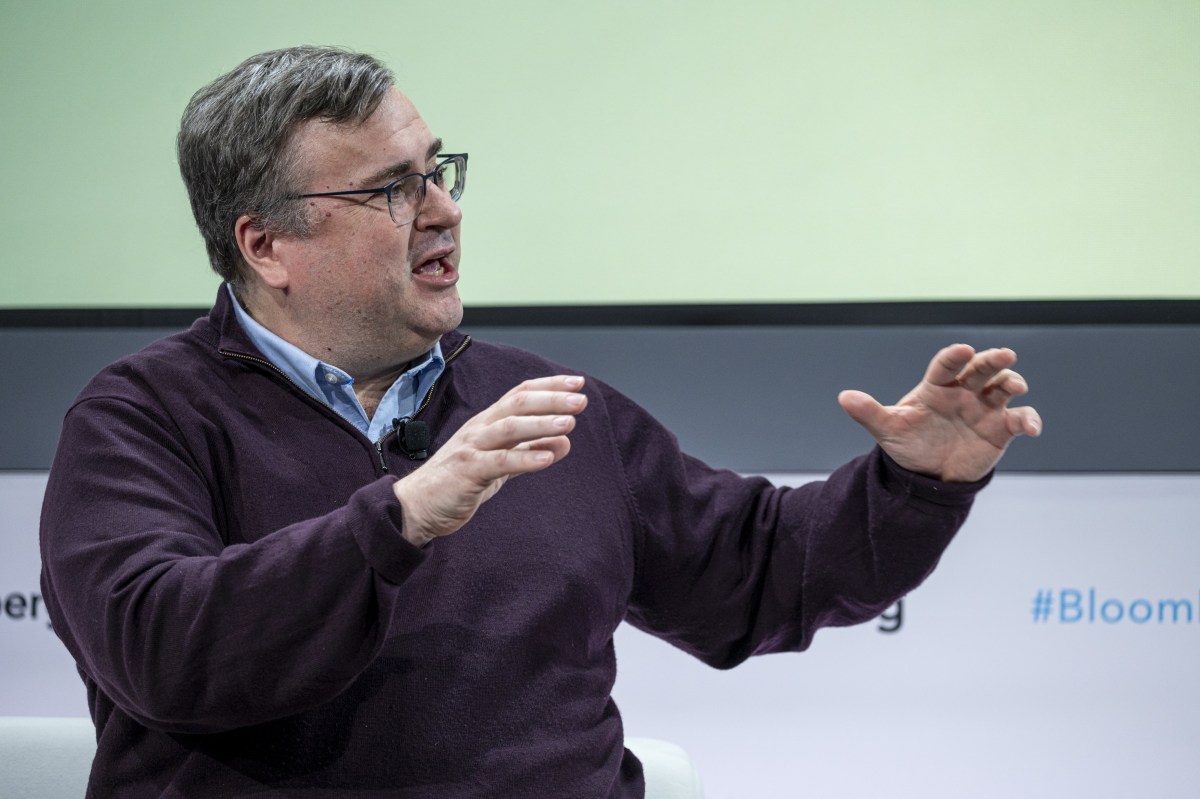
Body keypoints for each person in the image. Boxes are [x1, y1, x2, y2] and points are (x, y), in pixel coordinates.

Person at [39, 46, 1041, 798]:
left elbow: (759, 570)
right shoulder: (142, 419)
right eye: (392, 190)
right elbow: (161, 646)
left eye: (437, 170)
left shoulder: (545, 407)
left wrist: (917, 483)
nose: (443, 211)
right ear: (266, 245)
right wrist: (398, 519)